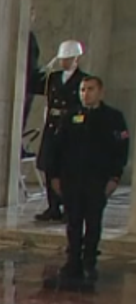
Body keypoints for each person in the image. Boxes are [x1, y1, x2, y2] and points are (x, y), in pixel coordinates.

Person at [47, 76, 130, 281]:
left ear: (100, 92)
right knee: (73, 221)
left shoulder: (113, 117)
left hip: (97, 179)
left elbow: (121, 149)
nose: (86, 94)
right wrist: (55, 176)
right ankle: (72, 260)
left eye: (90, 89)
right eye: (83, 90)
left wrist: (115, 177)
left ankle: (89, 261)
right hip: (72, 179)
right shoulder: (71, 115)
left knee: (93, 222)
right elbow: (57, 148)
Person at [33, 40, 88, 222]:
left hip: (71, 128)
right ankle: (53, 206)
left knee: (67, 169)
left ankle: (68, 206)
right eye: (62, 59)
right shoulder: (54, 77)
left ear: (76, 59)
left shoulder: (83, 80)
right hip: (52, 126)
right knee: (50, 166)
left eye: (68, 59)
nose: (64, 62)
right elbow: (37, 87)